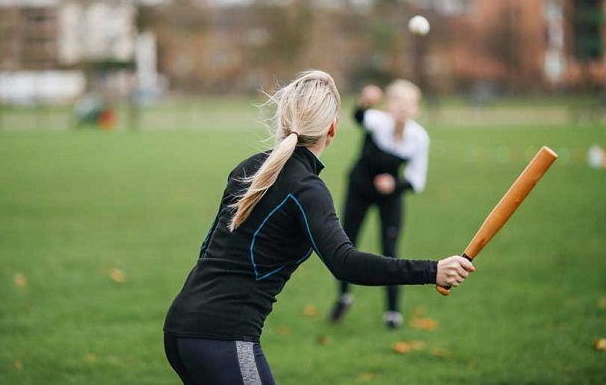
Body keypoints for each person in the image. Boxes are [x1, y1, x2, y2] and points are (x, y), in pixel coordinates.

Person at [163, 70, 474, 384]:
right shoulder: (307, 190)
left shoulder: (249, 166)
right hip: (223, 339)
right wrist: (432, 270)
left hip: (179, 328)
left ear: (284, 120)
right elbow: (345, 263)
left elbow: (207, 248)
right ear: (332, 129)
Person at [329, 80, 429, 329]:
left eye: (408, 103)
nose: (402, 107)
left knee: (390, 249)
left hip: (390, 197)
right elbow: (359, 116)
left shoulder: (419, 137)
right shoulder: (377, 121)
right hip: (359, 189)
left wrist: (394, 185)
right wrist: (365, 101)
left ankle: (393, 312)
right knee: (347, 242)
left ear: (416, 108)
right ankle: (343, 296)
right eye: (397, 101)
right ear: (389, 104)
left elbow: (417, 180)